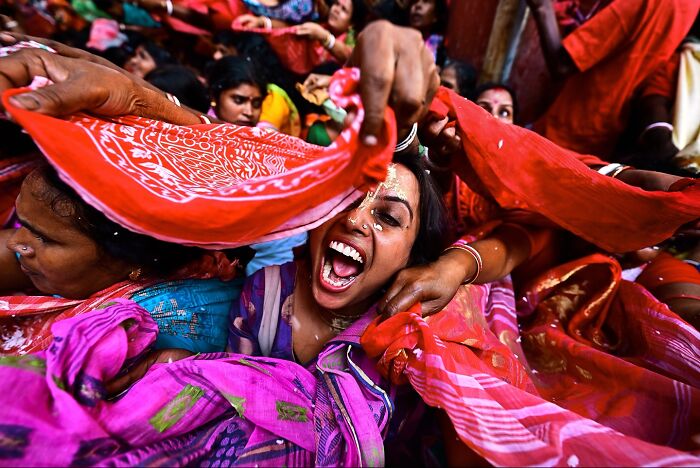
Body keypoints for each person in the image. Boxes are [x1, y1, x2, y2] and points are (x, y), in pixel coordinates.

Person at [0, 164, 243, 355]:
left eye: (43, 238)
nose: (16, 243)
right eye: (23, 224)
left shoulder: (150, 331)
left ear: (129, 258)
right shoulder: (99, 262)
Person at [527, 0, 700, 158]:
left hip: (567, 125)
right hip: (597, 133)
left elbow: (561, 65)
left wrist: (542, 7)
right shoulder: (690, 4)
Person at [207, 55, 267, 126]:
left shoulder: (267, 134)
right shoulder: (199, 133)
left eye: (256, 103)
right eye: (238, 100)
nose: (249, 112)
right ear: (214, 97)